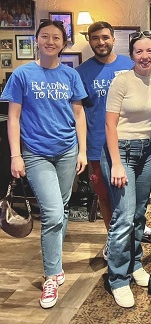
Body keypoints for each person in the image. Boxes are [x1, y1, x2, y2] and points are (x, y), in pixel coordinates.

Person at [1, 20, 87, 309]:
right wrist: (16, 155)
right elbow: (13, 117)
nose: (51, 41)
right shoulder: (23, 74)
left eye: (57, 37)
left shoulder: (70, 75)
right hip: (36, 153)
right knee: (52, 213)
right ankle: (51, 276)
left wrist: (83, 151)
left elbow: (78, 116)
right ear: (36, 40)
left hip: (67, 151)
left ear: (64, 43)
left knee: (61, 209)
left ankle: (57, 263)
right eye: (45, 37)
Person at [100, 31, 151, 308]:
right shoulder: (121, 80)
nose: (144, 56)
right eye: (139, 51)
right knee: (124, 216)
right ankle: (117, 278)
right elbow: (109, 125)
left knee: (140, 214)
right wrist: (116, 162)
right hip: (121, 153)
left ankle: (135, 264)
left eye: (149, 51)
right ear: (132, 55)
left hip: (146, 153)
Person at [76, 21, 133, 254]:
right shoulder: (81, 72)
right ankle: (114, 243)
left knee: (129, 199)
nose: (101, 42)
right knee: (105, 198)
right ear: (89, 41)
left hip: (129, 143)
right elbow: (78, 112)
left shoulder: (129, 65)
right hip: (97, 146)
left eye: (105, 37)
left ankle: (131, 242)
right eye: (96, 38)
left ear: (113, 39)